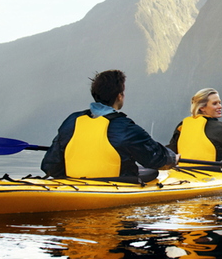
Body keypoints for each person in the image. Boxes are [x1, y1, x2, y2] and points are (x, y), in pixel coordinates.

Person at [41, 70, 178, 179]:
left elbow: (50, 166)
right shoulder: (125, 128)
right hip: (116, 184)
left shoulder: (71, 121)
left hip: (74, 182)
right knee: (152, 172)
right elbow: (156, 159)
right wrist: (173, 158)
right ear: (119, 96)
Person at [167, 88, 222, 161]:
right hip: (213, 174)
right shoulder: (219, 128)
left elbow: (171, 151)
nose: (220, 106)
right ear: (202, 107)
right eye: (214, 103)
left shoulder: (182, 125)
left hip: (185, 173)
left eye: (219, 103)